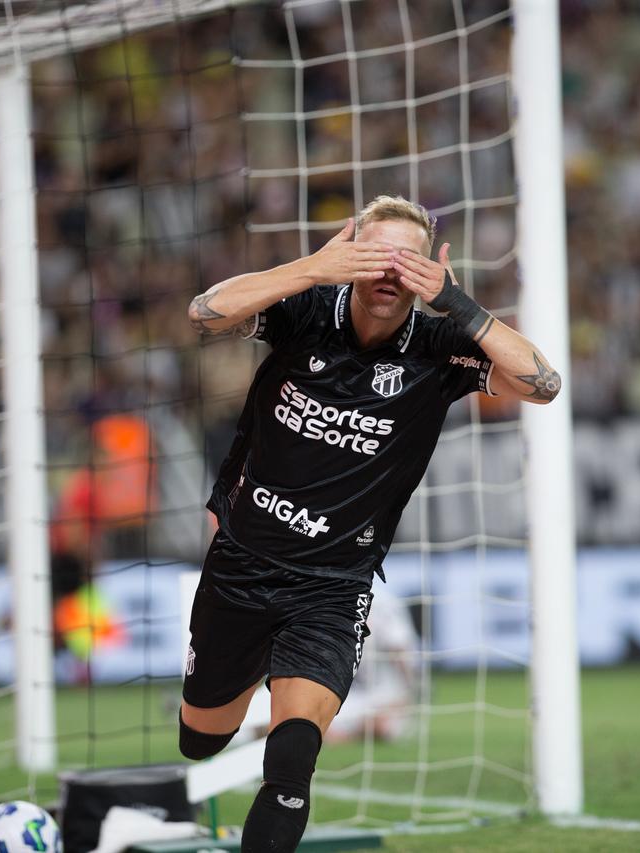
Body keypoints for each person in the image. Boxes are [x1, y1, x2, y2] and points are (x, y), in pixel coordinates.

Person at [180, 195, 561, 852]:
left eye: (408, 261)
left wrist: (457, 304)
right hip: (242, 561)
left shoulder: (440, 346)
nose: (391, 272)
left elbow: (543, 384)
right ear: (351, 252)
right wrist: (313, 267)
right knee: (201, 739)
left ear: (430, 270)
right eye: (377, 255)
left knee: (292, 759)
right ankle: (244, 670)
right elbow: (205, 311)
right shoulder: (306, 310)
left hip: (333, 584)